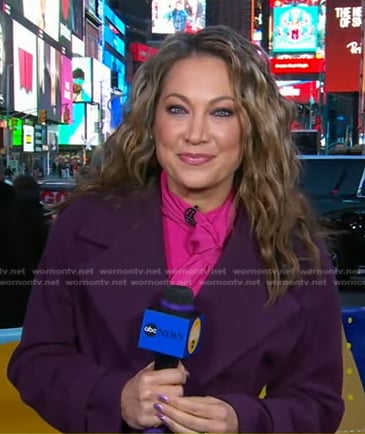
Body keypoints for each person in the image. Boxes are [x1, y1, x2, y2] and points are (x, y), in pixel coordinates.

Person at [8, 25, 344, 433]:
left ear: (252, 127)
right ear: (152, 122)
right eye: (177, 109)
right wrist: (113, 397)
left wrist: (245, 421)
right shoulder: (84, 225)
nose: (196, 135)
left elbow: (319, 402)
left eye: (222, 112)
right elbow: (36, 360)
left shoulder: (298, 254)